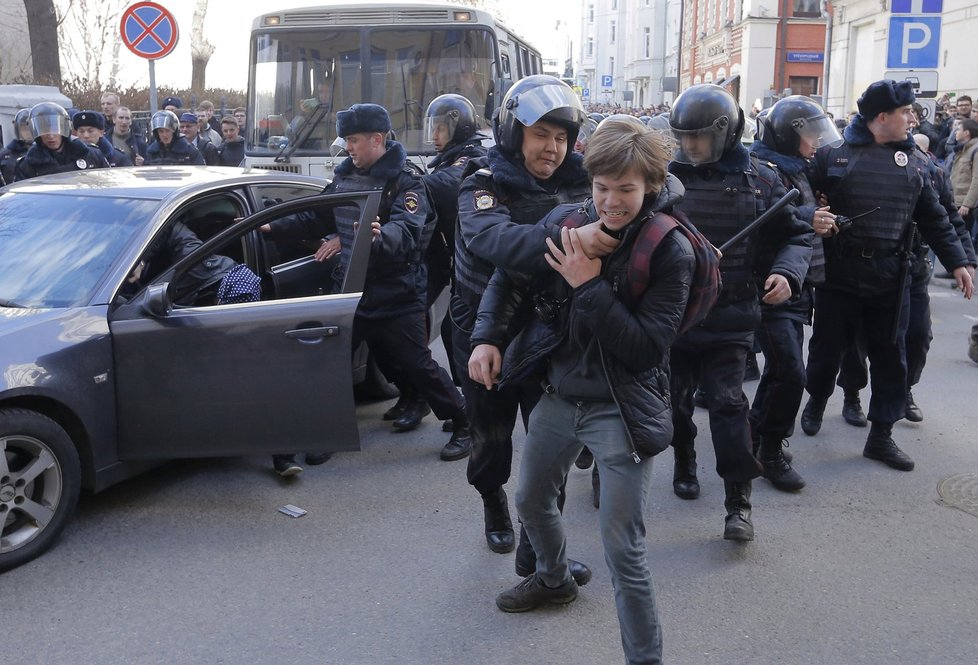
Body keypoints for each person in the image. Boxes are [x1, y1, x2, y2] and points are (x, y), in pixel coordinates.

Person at [470, 115, 693, 664]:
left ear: (651, 186)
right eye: (601, 188)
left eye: (626, 190)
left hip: (622, 408)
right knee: (530, 500)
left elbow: (643, 349)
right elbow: (511, 276)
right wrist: (488, 337)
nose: (612, 202)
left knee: (623, 549)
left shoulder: (670, 249)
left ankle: (645, 658)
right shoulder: (569, 219)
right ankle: (553, 579)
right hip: (560, 393)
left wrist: (589, 284)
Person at [263, 103, 472, 460]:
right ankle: (326, 435)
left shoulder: (405, 181)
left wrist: (379, 237)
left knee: (417, 364)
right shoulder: (345, 177)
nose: (348, 147)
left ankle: (466, 422)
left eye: (354, 140)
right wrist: (271, 226)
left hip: (395, 292)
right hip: (349, 291)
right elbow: (315, 218)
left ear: (377, 139)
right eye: (346, 139)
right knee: (330, 364)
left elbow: (408, 231)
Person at [452, 75, 595, 559]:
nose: (552, 148)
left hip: (549, 335)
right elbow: (497, 242)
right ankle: (493, 501)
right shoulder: (481, 185)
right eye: (540, 135)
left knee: (549, 446)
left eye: (561, 137)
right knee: (490, 439)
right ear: (515, 134)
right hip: (484, 335)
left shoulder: (582, 183)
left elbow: (654, 182)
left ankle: (538, 540)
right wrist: (582, 237)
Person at [801, 79, 974, 472]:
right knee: (828, 349)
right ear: (882, 118)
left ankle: (881, 436)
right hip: (841, 273)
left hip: (890, 276)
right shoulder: (833, 156)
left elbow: (935, 218)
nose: (913, 118)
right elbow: (801, 198)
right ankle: (815, 401)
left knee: (890, 356)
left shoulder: (914, 161)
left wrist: (961, 261)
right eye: (905, 112)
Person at [667, 84, 812, 540]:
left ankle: (738, 502)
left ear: (726, 133)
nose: (690, 147)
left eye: (699, 137)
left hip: (731, 319)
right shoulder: (665, 181)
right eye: (682, 137)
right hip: (675, 320)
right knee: (674, 405)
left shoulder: (762, 180)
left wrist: (786, 274)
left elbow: (796, 236)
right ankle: (684, 461)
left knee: (730, 408)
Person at [747, 95, 843, 492]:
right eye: (809, 133)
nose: (817, 141)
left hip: (796, 283)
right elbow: (761, 218)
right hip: (770, 285)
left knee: (780, 369)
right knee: (790, 370)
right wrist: (808, 216)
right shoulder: (761, 170)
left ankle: (754, 440)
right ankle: (768, 451)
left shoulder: (797, 168)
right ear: (788, 135)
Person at [381, 94, 488, 439]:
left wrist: (394, 171)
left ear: (459, 126)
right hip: (447, 263)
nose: (436, 133)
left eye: (442, 126)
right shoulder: (448, 158)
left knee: (461, 337)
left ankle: (472, 418)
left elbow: (442, 187)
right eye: (434, 126)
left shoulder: (472, 159)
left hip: (474, 268)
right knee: (413, 333)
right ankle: (422, 397)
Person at [14, 102, 109, 181]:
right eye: (44, 130)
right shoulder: (28, 165)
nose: (51, 136)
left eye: (55, 129)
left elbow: (109, 185)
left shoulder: (91, 154)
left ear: (64, 128)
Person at [0, 109, 32, 185]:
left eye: (30, 128)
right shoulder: (5, 154)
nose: (28, 132)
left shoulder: (43, 151)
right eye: (24, 128)